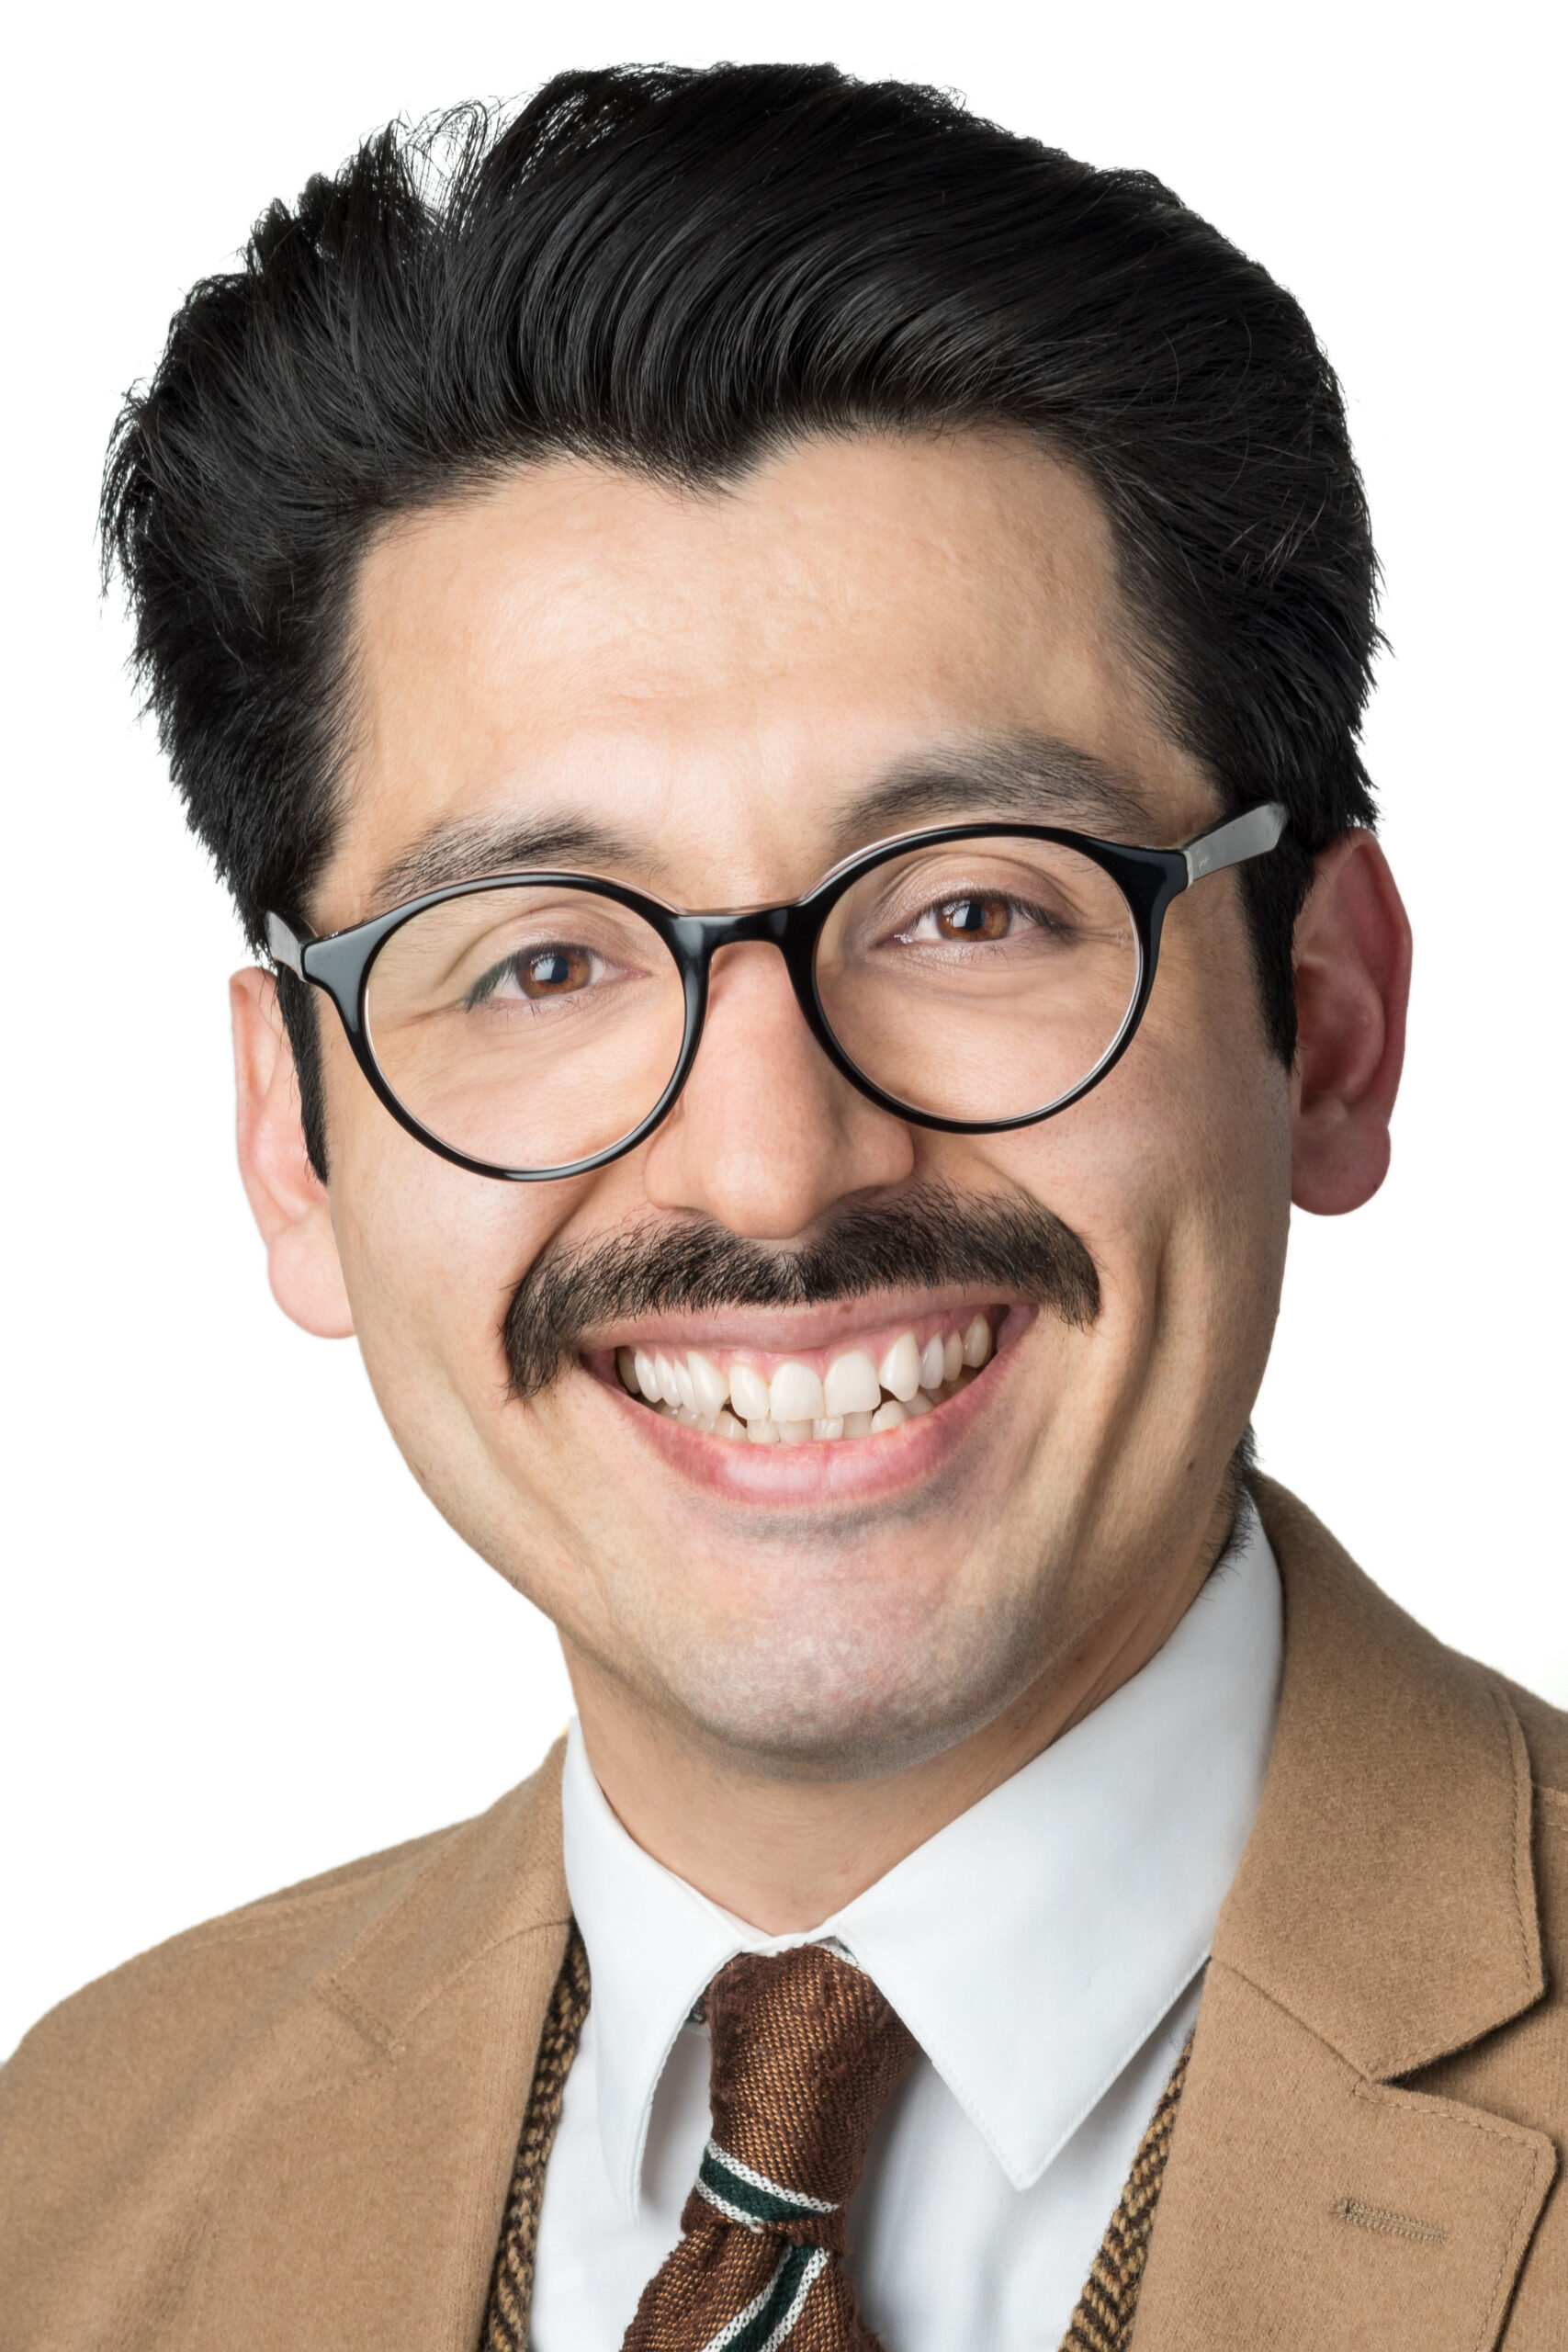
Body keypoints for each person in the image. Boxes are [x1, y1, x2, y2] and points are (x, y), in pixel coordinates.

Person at [1, 59, 1562, 2351]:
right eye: (540, 956)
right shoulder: (77, 2175)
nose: (768, 1163)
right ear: (293, 1142)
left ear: (1324, 1020)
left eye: (966, 912)